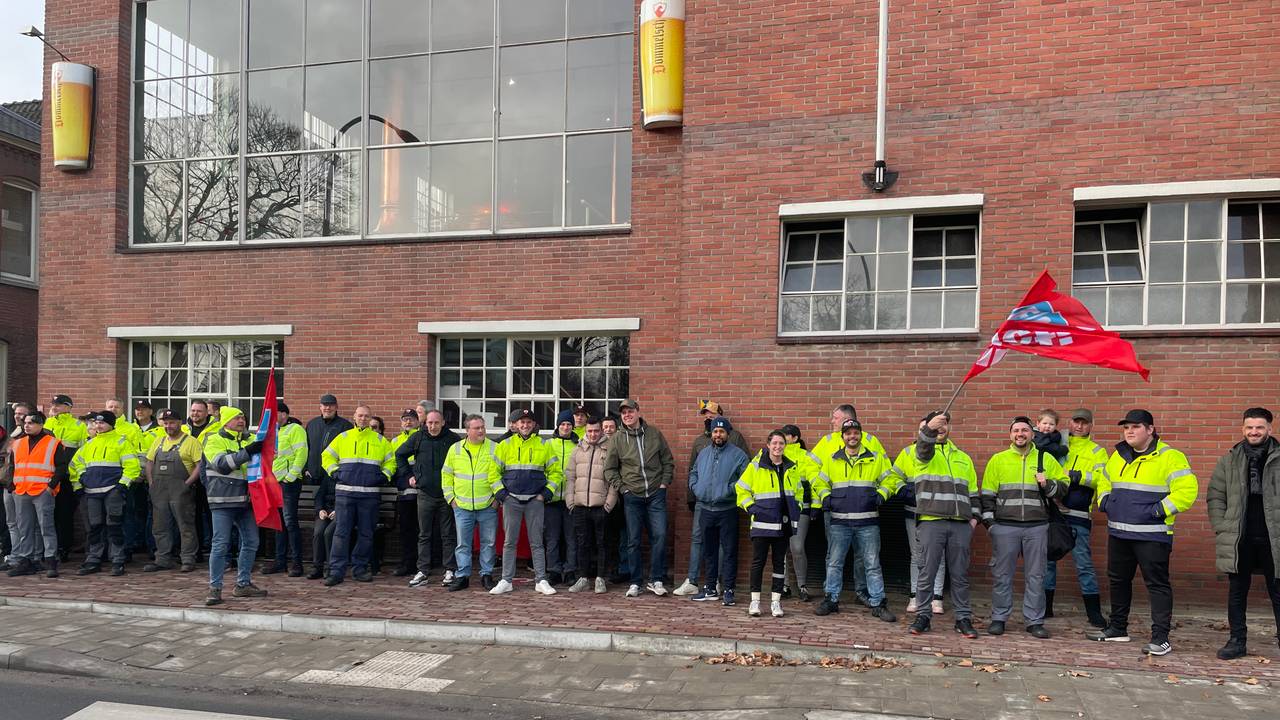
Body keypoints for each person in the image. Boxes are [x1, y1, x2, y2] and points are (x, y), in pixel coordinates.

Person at [1086, 409, 1198, 656]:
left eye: (1136, 427)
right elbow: (1103, 480)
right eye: (1126, 427)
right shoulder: (1118, 456)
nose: (1129, 431)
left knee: (1157, 585)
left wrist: (1158, 510)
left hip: (1153, 535)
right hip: (1119, 533)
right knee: (1118, 581)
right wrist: (1105, 502)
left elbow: (1187, 491)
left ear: (1150, 429)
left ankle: (1161, 638)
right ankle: (1117, 628)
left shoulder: (1171, 457)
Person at [980, 417, 1068, 639]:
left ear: (1032, 434)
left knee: (1036, 576)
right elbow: (987, 495)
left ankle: (1034, 621)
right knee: (1002, 575)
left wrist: (1047, 484)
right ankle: (999, 618)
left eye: (1025, 430)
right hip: (1005, 527)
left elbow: (1064, 488)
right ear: (1010, 435)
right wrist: (991, 525)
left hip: (1037, 527)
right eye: (1016, 430)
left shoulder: (1045, 458)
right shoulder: (998, 460)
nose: (1020, 434)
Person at [1208, 407, 1280, 660]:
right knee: (1237, 592)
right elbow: (1215, 495)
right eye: (1249, 427)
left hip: (1275, 540)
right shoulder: (1230, 459)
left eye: (1259, 427)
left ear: (1270, 429)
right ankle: (1237, 641)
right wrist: (1222, 525)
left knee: (1278, 592)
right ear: (1243, 429)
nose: (1254, 432)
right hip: (1240, 538)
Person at [810, 418, 898, 621]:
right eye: (848, 433)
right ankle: (831, 600)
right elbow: (820, 481)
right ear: (843, 437)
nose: (852, 436)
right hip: (839, 522)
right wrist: (826, 497)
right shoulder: (833, 459)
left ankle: (878, 603)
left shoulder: (874, 458)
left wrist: (881, 495)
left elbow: (891, 479)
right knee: (834, 563)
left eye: (855, 433)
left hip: (868, 522)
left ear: (860, 434)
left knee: (872, 564)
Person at [902, 411, 980, 637]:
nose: (942, 428)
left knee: (960, 575)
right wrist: (928, 430)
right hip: (931, 521)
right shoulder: (922, 453)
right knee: (927, 572)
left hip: (960, 525)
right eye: (937, 425)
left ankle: (963, 618)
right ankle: (923, 616)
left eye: (945, 424)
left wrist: (973, 519)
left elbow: (973, 492)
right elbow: (924, 447)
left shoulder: (963, 458)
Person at [674, 401, 751, 597]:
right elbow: (694, 471)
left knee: (727, 549)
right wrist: (695, 489)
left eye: (721, 431)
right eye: (715, 431)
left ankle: (725, 587)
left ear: (727, 432)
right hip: (704, 505)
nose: (718, 434)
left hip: (727, 508)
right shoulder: (703, 447)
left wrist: (728, 490)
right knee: (706, 546)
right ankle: (705, 586)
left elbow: (747, 476)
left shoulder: (737, 449)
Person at [604, 398, 675, 597]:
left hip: (655, 494)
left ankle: (656, 579)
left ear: (638, 411)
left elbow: (668, 461)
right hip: (632, 496)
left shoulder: (654, 434)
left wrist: (663, 484)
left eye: (630, 411)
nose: (627, 415)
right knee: (633, 540)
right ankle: (635, 582)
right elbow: (609, 469)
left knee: (660, 536)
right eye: (623, 413)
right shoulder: (617, 439)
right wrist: (623, 489)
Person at [1044, 408, 1108, 627]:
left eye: (1084, 423)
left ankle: (1094, 613)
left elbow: (1102, 479)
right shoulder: (1056, 444)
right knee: (1048, 560)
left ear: (1091, 426)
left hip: (1079, 513)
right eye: (1075, 422)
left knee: (1083, 564)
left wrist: (1077, 476)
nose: (1079, 427)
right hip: (1052, 510)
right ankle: (1046, 607)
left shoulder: (1097, 451)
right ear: (1069, 423)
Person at [322, 405, 395, 586]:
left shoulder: (380, 440)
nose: (363, 419)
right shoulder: (344, 437)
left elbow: (391, 462)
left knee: (366, 534)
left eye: (366, 416)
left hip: (369, 496)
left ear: (370, 419)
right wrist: (335, 473)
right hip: (345, 495)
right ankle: (336, 571)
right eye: (360, 415)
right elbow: (326, 457)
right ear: (354, 417)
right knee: (341, 534)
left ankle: (359, 569)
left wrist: (383, 476)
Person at [490, 408, 560, 595]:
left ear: (534, 424)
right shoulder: (504, 445)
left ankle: (541, 580)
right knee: (509, 542)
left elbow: (556, 473)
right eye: (522, 422)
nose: (525, 425)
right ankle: (506, 580)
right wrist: (502, 495)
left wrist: (545, 494)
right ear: (515, 424)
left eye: (529, 422)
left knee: (537, 542)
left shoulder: (545, 445)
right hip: (511, 499)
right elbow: (492, 473)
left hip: (534, 500)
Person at [202, 406, 267, 605]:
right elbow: (221, 464)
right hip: (222, 501)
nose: (242, 420)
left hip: (245, 501)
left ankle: (243, 584)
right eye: (237, 418)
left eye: (243, 417)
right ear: (226, 422)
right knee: (220, 545)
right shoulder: (213, 439)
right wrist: (247, 452)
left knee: (251, 541)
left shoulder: (249, 439)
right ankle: (215, 589)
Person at [736, 430, 804, 618]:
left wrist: (796, 507)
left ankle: (776, 602)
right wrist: (751, 507)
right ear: (768, 445)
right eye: (774, 443)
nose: (777, 447)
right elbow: (741, 488)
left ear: (785, 446)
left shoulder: (791, 467)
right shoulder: (756, 466)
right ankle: (755, 602)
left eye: (781, 443)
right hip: (762, 524)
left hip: (783, 524)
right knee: (758, 562)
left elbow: (798, 491)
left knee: (779, 564)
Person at [69, 411, 141, 576]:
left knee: (114, 525)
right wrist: (80, 481)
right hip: (91, 492)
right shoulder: (89, 444)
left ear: (111, 424)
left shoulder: (122, 442)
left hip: (112, 491)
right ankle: (94, 559)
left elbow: (132, 466)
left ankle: (117, 560)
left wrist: (122, 485)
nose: (98, 426)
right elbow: (75, 465)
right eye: (96, 423)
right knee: (94, 527)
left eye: (102, 423)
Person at [399, 408, 461, 586]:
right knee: (424, 534)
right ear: (425, 423)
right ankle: (423, 570)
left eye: (436, 422)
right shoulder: (418, 438)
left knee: (448, 534)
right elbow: (400, 455)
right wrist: (408, 476)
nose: (433, 426)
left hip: (447, 494)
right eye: (429, 423)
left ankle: (450, 570)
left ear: (443, 423)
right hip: (425, 494)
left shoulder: (453, 440)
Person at [6, 411, 72, 577]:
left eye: (32, 422)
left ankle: (51, 561)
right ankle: (26, 561)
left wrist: (51, 486)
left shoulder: (53, 443)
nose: (27, 425)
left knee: (46, 528)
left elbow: (62, 467)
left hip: (42, 491)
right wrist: (12, 485)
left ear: (41, 424)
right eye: (25, 422)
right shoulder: (18, 443)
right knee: (24, 528)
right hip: (22, 490)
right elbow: (13, 466)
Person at [443, 414, 500, 592]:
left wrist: (498, 499)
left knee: (488, 543)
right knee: (463, 544)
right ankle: (463, 576)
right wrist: (451, 499)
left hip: (488, 505)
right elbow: (446, 475)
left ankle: (486, 575)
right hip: (462, 506)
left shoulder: (495, 448)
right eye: (477, 428)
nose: (482, 430)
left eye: (483, 427)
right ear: (467, 430)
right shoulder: (455, 449)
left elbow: (503, 474)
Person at [142, 409, 202, 573]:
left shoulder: (191, 442)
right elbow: (149, 462)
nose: (169, 426)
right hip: (159, 490)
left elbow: (200, 465)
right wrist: (151, 482)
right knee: (160, 526)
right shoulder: (159, 441)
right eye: (166, 422)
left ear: (180, 422)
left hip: (181, 491)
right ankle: (162, 559)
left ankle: (188, 559)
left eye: (172, 422)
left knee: (185, 526)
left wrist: (187, 484)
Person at [565, 417, 618, 594]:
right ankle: (583, 578)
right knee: (583, 543)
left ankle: (600, 578)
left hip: (600, 506)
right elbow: (570, 478)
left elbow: (614, 480)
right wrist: (571, 502)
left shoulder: (610, 449)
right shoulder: (577, 451)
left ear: (601, 431)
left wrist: (608, 505)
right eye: (590, 431)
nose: (593, 434)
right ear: (585, 431)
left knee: (602, 543)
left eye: (596, 431)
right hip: (580, 506)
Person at [263, 403, 308, 577]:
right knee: (278, 523)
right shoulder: (274, 431)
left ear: (284, 414)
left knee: (290, 522)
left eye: (276, 413)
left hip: (289, 483)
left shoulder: (295, 429)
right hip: (274, 483)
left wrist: (292, 476)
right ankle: (280, 561)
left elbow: (301, 453)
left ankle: (297, 563)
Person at [779, 424, 819, 601]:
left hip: (801, 508)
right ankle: (784, 585)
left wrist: (816, 505)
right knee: (780, 547)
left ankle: (802, 586)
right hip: (778, 507)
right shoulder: (775, 453)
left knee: (797, 547)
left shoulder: (806, 457)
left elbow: (816, 482)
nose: (783, 439)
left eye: (786, 436)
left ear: (795, 438)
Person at [46, 395, 87, 562]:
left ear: (69, 407)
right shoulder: (47, 423)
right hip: (47, 476)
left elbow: (84, 452)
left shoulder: (79, 426)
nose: (55, 407)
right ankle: (49, 549)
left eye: (60, 405)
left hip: (67, 477)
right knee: (48, 514)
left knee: (65, 514)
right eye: (54, 404)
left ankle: (64, 548)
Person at [544, 410, 580, 586]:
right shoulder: (548, 444)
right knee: (552, 538)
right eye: (563, 424)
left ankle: (570, 570)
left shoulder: (578, 444)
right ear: (557, 426)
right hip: (551, 500)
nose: (566, 427)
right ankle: (554, 571)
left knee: (571, 538)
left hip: (571, 499)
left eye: (569, 424)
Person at [387, 409, 422, 578]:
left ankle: (422, 563)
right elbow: (392, 464)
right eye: (405, 419)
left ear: (418, 421)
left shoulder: (422, 437)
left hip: (422, 492)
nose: (408, 422)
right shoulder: (395, 441)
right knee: (406, 530)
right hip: (404, 493)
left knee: (422, 530)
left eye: (411, 419)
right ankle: (407, 563)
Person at [183, 399, 219, 560]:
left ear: (206, 413)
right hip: (189, 477)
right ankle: (195, 552)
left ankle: (214, 550)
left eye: (199, 411)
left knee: (212, 516)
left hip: (211, 477)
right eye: (193, 410)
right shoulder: (183, 428)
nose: (195, 414)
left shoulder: (216, 428)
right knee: (192, 516)